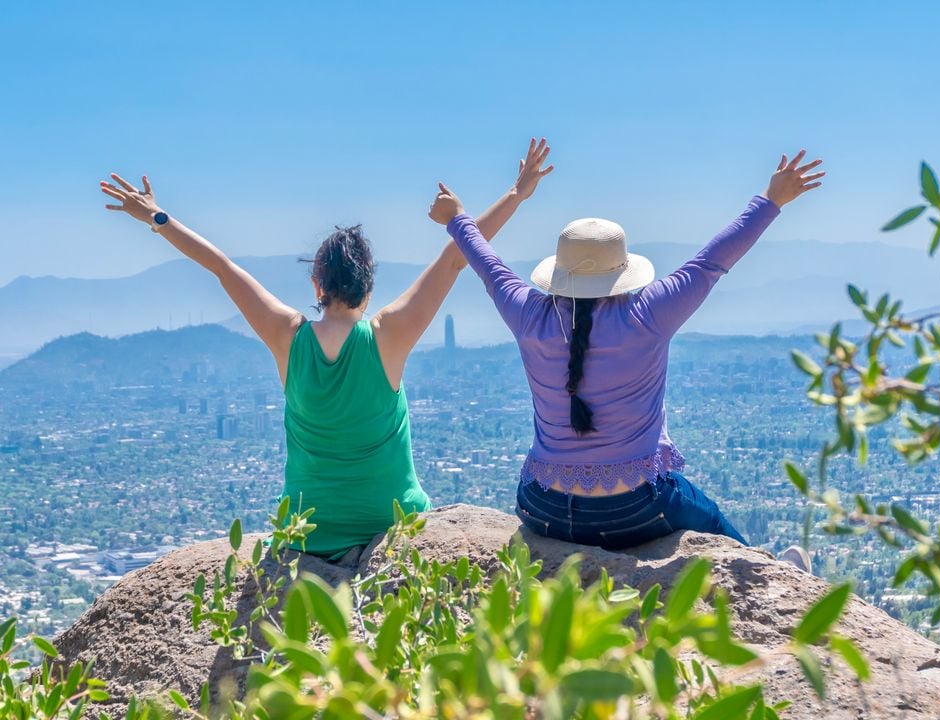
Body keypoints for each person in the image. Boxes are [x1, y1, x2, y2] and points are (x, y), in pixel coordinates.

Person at [99, 138, 554, 561]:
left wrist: (157, 217)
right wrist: (518, 193)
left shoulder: (286, 337)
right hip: (392, 522)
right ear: (368, 288)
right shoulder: (388, 336)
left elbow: (221, 266)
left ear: (316, 284)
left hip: (308, 533)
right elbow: (457, 257)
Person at [429, 150, 824, 551]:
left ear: (559, 273)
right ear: (621, 272)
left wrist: (457, 216)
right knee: (713, 520)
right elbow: (712, 261)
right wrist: (771, 199)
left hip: (542, 509)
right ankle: (763, 571)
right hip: (634, 508)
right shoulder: (649, 313)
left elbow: (486, 263)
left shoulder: (530, 314)